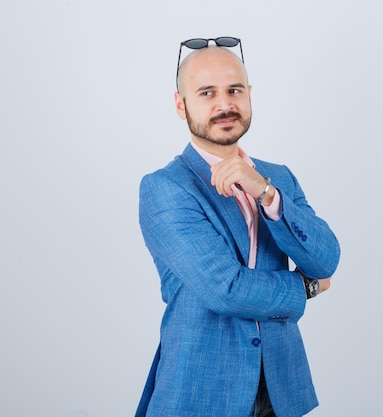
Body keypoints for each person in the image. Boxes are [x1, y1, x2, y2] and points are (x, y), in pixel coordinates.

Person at [135, 37, 341, 417]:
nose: (224, 104)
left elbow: (326, 258)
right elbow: (225, 290)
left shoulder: (278, 178)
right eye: (206, 93)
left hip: (281, 391)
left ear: (249, 95)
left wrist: (266, 193)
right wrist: (305, 287)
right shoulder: (165, 188)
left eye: (234, 90)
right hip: (201, 390)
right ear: (181, 105)